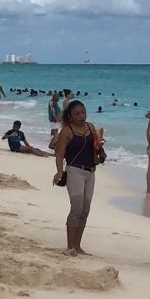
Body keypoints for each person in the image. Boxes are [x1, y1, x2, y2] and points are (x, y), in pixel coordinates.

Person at [51, 99, 100, 256]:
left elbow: (95, 147)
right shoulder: (67, 131)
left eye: (83, 112)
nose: (81, 116)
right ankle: (70, 246)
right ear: (70, 117)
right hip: (74, 171)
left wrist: (99, 151)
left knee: (85, 210)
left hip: (91, 172)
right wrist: (59, 172)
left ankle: (78, 246)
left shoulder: (90, 127)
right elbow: (59, 154)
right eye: (77, 114)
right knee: (76, 208)